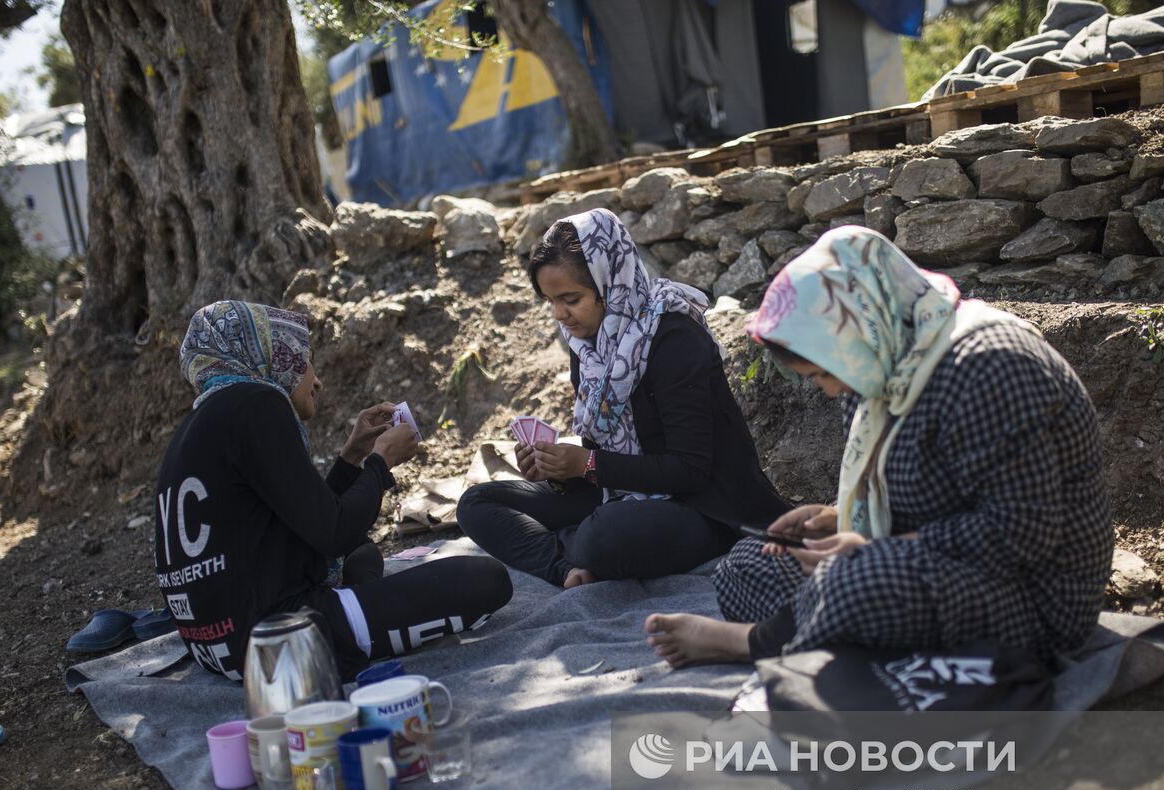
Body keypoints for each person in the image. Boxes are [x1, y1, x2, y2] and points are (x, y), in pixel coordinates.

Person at [645, 226, 1113, 667]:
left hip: (1032, 595)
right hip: (928, 564)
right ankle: (821, 623)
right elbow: (919, 495)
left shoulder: (990, 366)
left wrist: (866, 550)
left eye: (826, 372)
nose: (831, 391)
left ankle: (749, 642)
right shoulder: (882, 368)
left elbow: (1021, 535)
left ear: (857, 326)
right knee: (745, 567)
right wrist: (838, 520)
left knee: (853, 583)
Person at [155, 299, 512, 682]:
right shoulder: (258, 403)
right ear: (271, 355)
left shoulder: (201, 422)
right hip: (282, 640)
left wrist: (351, 456)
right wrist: (380, 463)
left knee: (362, 554)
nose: (316, 379)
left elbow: (310, 525)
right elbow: (333, 532)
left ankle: (368, 614)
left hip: (213, 646)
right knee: (488, 579)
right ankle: (359, 626)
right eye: (303, 357)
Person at [457, 208, 789, 588]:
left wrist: (587, 465)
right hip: (617, 494)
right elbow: (598, 455)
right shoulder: (588, 344)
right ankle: (564, 568)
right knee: (478, 503)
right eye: (550, 301)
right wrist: (556, 471)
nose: (560, 314)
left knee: (604, 536)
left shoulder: (673, 336)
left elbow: (690, 470)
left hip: (704, 506)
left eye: (570, 298)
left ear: (610, 283)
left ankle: (574, 547)